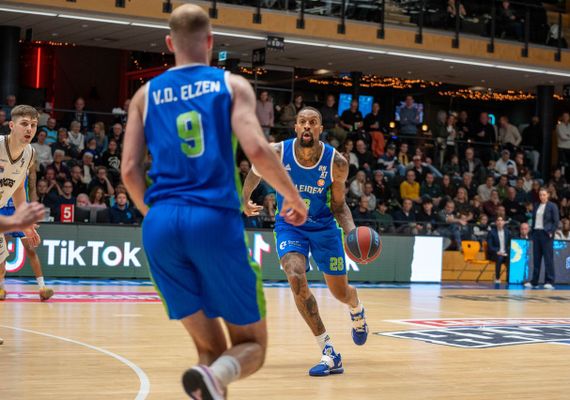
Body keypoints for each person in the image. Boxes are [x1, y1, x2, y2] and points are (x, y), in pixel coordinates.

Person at [121, 5, 307, 398]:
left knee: (210, 354)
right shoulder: (231, 85)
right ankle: (216, 377)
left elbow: (130, 170)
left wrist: (155, 215)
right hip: (212, 219)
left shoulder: (144, 95)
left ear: (169, 43)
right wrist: (293, 196)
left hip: (160, 224)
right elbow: (257, 149)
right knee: (251, 346)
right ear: (210, 41)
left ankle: (209, 379)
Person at [243, 107, 369, 377]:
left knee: (340, 293)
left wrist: (351, 233)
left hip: (324, 227)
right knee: (295, 276)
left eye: (313, 122)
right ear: (296, 127)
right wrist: (245, 198)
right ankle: (329, 351)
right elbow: (255, 170)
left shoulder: (337, 163)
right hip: (290, 226)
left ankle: (356, 306)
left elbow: (339, 206)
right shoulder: (278, 152)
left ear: (320, 128)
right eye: (303, 122)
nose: (308, 126)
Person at [0, 105, 51, 304]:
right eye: (24, 124)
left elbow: (19, 188)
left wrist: (26, 223)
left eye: (33, 125)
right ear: (12, 125)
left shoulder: (29, 153)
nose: (29, 129)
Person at [525, 188, 559, 289]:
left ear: (548, 195)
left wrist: (551, 231)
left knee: (548, 259)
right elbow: (534, 219)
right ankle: (534, 282)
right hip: (536, 233)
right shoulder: (536, 205)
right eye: (540, 195)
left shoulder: (552, 206)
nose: (542, 197)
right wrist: (532, 232)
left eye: (544, 195)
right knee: (536, 259)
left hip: (546, 234)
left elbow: (556, 221)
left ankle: (549, 281)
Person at [487, 216, 511, 284]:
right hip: (495, 254)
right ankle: (497, 278)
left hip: (505, 253)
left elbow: (510, 244)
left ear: (504, 222)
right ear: (496, 222)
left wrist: (507, 251)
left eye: (501, 220)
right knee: (500, 257)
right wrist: (497, 251)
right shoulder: (491, 232)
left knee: (510, 258)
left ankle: (508, 278)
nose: (500, 222)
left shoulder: (507, 232)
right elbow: (490, 246)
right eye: (498, 220)